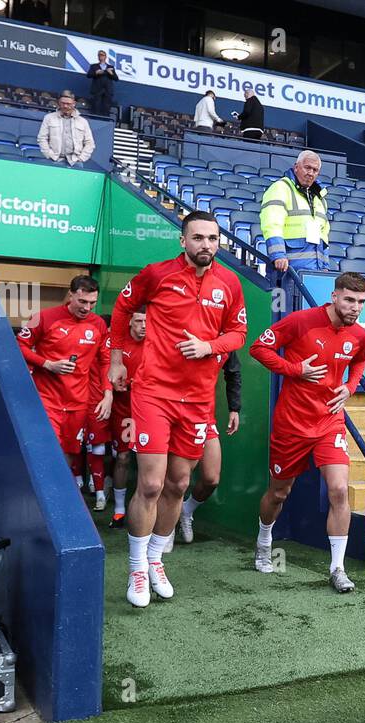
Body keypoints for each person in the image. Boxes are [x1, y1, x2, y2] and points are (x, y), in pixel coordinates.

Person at [109, 211, 248, 608]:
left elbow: (238, 333)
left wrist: (210, 347)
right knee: (151, 484)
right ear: (182, 241)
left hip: (199, 401)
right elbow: (122, 309)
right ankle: (136, 567)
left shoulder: (231, 283)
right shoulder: (156, 274)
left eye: (213, 238)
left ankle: (155, 560)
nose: (207, 244)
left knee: (178, 484)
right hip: (153, 392)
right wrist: (117, 360)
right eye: (199, 237)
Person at [249, 273, 365, 592]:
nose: (355, 307)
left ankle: (337, 568)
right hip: (292, 423)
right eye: (349, 300)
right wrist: (295, 369)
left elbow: (360, 361)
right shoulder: (301, 321)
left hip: (330, 421)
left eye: (361, 302)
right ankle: (264, 541)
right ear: (334, 296)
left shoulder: (359, 334)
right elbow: (258, 348)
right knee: (279, 493)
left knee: (339, 490)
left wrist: (350, 386)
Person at [18, 276, 111, 494]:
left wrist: (108, 394)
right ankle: (40, 495)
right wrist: (47, 364)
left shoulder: (98, 325)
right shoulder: (42, 317)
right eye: (82, 302)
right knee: (48, 450)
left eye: (92, 303)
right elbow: (19, 345)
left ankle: (53, 493)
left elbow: (106, 360)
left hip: (78, 403)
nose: (87, 308)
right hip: (47, 400)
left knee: (70, 452)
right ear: (71, 295)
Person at [175, 353, 242, 544]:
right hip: (175, 414)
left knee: (211, 478)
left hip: (204, 416)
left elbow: (233, 372)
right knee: (178, 479)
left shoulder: (225, 340)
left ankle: (186, 511)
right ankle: (166, 527)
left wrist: (234, 408)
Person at [106, 310, 147, 528]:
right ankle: (120, 510)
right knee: (122, 457)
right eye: (139, 321)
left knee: (148, 461)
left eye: (147, 322)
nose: (143, 326)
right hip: (123, 409)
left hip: (149, 409)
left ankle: (146, 510)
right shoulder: (118, 344)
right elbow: (106, 368)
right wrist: (113, 382)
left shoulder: (156, 343)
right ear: (130, 320)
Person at [259, 150, 330, 274]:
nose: (310, 173)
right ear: (296, 167)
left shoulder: (320, 198)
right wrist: (278, 254)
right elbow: (272, 223)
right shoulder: (281, 188)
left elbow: (324, 234)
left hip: (315, 271)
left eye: (315, 170)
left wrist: (325, 265)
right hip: (287, 270)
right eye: (307, 168)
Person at [38, 91, 95, 167]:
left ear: (74, 103)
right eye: (62, 103)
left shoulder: (83, 122)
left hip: (75, 162)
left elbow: (90, 143)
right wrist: (49, 155)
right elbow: (42, 138)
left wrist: (81, 158)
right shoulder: (49, 118)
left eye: (68, 104)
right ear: (58, 103)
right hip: (54, 160)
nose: (65, 106)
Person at [86, 50, 117, 116]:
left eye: (102, 55)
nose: (101, 56)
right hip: (97, 89)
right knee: (96, 106)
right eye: (99, 55)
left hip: (107, 90)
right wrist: (96, 73)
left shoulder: (110, 67)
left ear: (105, 57)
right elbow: (89, 75)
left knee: (106, 106)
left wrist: (110, 73)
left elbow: (116, 78)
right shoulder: (94, 66)